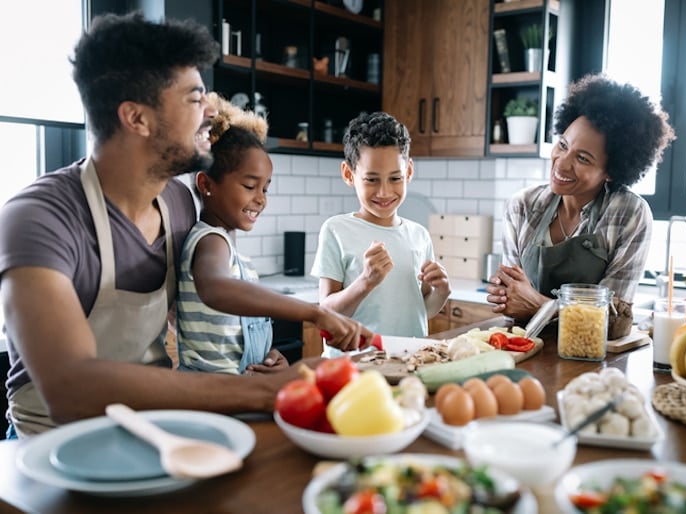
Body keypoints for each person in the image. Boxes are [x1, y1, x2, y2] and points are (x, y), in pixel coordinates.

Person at [0, 12, 370, 439]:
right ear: (136, 118)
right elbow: (72, 390)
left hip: (152, 432)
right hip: (47, 447)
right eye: (195, 98)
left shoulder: (176, 203)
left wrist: (257, 355)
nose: (212, 111)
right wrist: (264, 391)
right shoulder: (37, 219)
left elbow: (198, 307)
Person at [176, 92, 368, 375]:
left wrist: (266, 355)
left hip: (235, 389)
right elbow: (215, 288)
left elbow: (230, 335)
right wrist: (315, 313)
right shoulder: (210, 240)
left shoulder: (229, 247)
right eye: (250, 186)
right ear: (206, 184)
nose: (261, 199)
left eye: (265, 188)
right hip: (209, 395)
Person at [486, 74, 675, 339]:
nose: (561, 164)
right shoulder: (523, 206)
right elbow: (514, 302)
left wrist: (539, 306)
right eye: (563, 145)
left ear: (610, 171)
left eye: (582, 158)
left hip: (591, 361)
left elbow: (611, 321)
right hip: (524, 347)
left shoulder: (629, 214)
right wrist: (507, 296)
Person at [311, 111, 451, 357]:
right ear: (348, 174)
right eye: (372, 180)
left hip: (409, 361)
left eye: (395, 178)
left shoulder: (419, 235)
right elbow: (326, 312)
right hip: (354, 367)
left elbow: (422, 309)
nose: (385, 192)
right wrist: (366, 281)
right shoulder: (336, 230)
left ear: (408, 172)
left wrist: (441, 292)